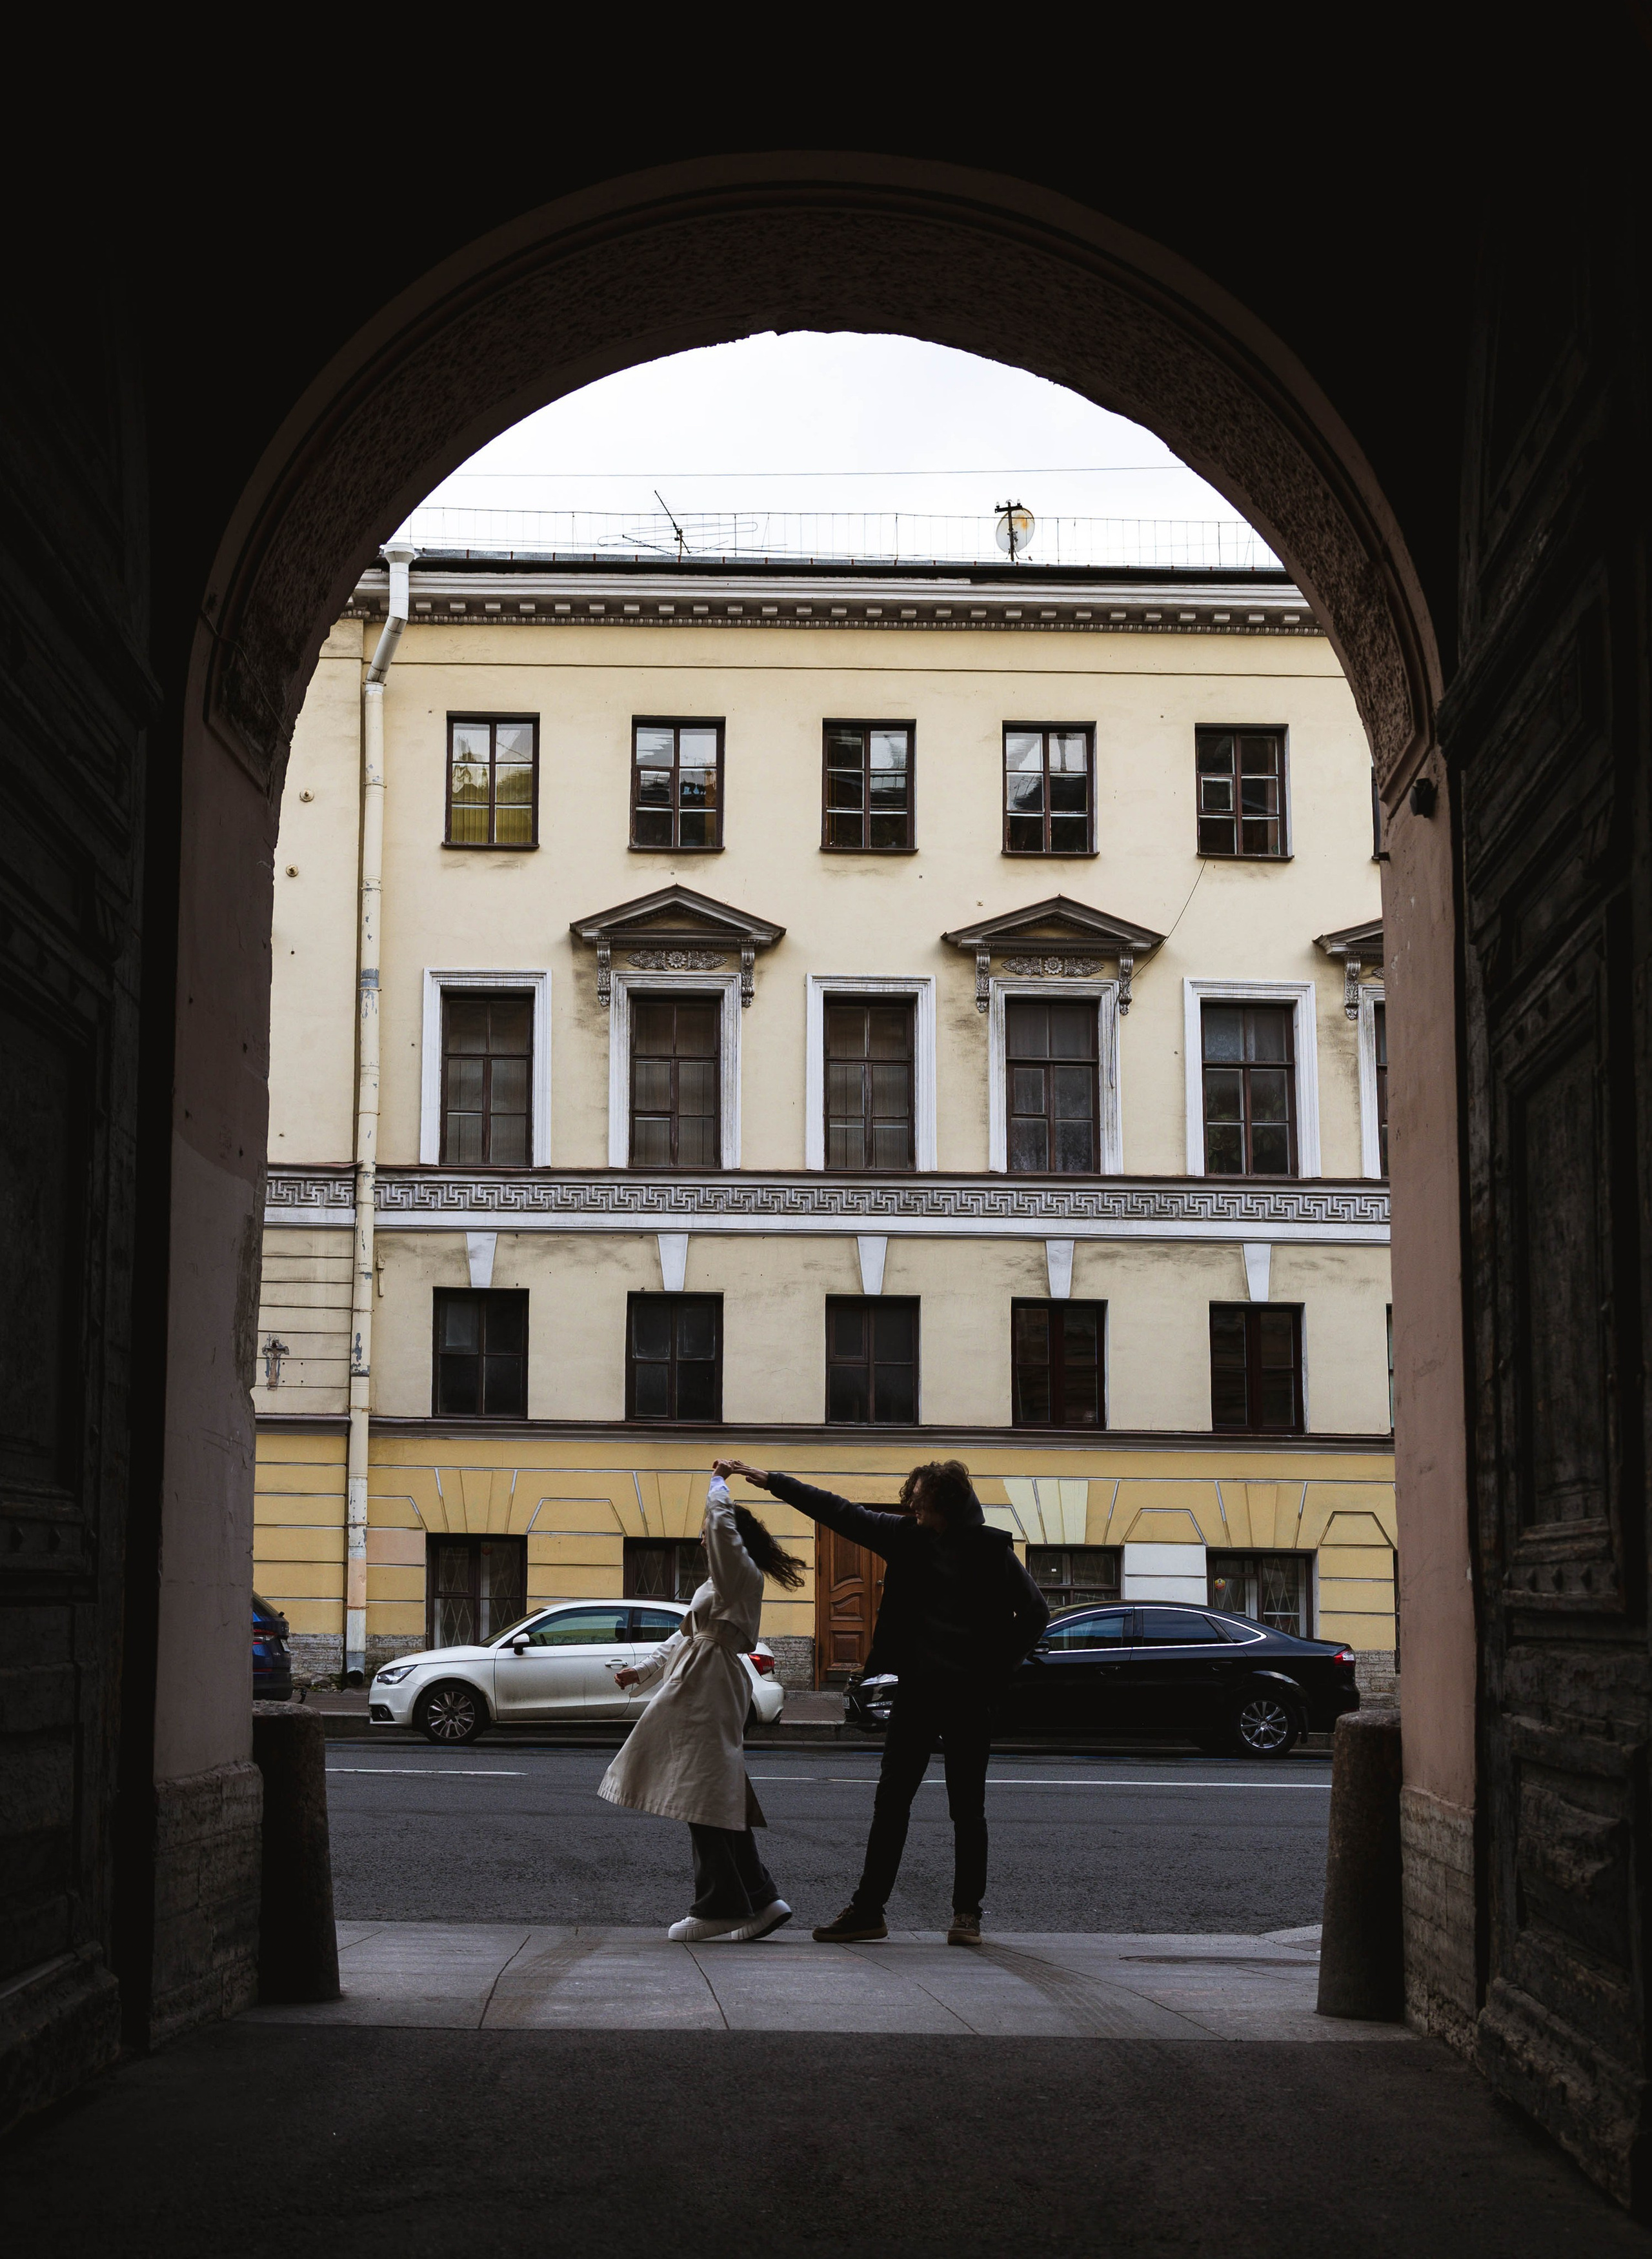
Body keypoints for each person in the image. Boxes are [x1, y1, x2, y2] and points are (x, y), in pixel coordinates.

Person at [712, 1456, 1049, 1947]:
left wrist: (995, 1671)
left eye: (920, 1502)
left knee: (967, 1809)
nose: (912, 1508)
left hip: (969, 1698)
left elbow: (1035, 1612)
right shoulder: (906, 1536)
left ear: (945, 1504)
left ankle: (966, 1915)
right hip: (917, 1692)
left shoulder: (989, 1548)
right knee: (892, 1803)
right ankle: (869, 1911)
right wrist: (774, 1481)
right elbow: (840, 1512)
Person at [599, 1473, 805, 1942]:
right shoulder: (725, 1581)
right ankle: (759, 1897)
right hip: (703, 1677)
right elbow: (685, 1632)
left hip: (707, 1683)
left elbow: (717, 1527)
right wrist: (644, 1670)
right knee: (713, 1787)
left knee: (700, 1789)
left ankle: (721, 1905)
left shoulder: (739, 1572)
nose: (701, 1536)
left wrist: (719, 1483)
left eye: (709, 1531)